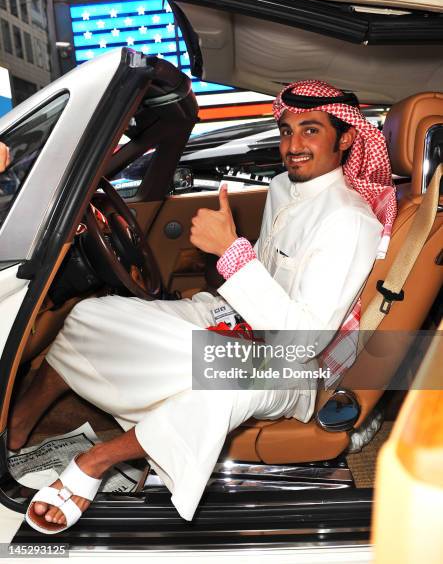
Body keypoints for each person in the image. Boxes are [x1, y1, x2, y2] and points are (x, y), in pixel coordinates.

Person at [8, 80, 396, 534]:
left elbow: (302, 342)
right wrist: (227, 269)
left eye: (311, 131)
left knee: (217, 384)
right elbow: (263, 276)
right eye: (287, 131)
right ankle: (18, 424)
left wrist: (231, 252)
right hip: (239, 319)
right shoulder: (280, 188)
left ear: (346, 137)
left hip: (294, 368)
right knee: (92, 315)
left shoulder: (349, 221)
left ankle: (95, 462)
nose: (294, 146)